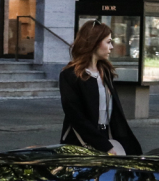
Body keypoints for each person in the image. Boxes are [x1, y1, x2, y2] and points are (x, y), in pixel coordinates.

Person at [58, 20, 142, 156]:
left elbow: (115, 114)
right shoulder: (70, 75)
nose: (112, 47)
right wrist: (105, 146)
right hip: (81, 142)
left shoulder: (105, 72)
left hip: (106, 135)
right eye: (108, 42)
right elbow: (76, 116)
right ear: (94, 43)